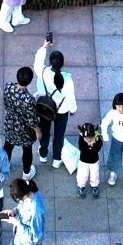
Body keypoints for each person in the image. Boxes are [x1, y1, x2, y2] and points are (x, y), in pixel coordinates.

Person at [34, 38, 77, 170]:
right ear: (62, 64)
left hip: (45, 108)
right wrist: (73, 109)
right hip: (62, 110)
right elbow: (70, 97)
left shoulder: (43, 72)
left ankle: (43, 154)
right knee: (59, 134)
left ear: (50, 62)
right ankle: (57, 159)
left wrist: (44, 47)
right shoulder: (67, 79)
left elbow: (37, 62)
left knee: (45, 131)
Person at [0, 175, 43, 245]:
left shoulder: (36, 210)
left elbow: (35, 237)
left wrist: (17, 223)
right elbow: (20, 206)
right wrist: (14, 211)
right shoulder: (27, 193)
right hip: (19, 237)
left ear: (22, 196)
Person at [99, 94, 123, 190]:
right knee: (114, 156)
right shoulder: (113, 112)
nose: (121, 109)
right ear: (115, 105)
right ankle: (113, 173)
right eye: (118, 106)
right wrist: (105, 136)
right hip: (116, 139)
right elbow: (104, 123)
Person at [72, 118, 103, 198]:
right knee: (82, 174)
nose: (89, 140)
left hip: (94, 160)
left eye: (91, 138)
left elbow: (99, 147)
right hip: (83, 160)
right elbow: (82, 148)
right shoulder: (81, 139)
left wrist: (93, 145)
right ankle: (81, 186)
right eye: (86, 138)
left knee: (95, 174)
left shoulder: (97, 138)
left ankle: (94, 186)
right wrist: (89, 146)